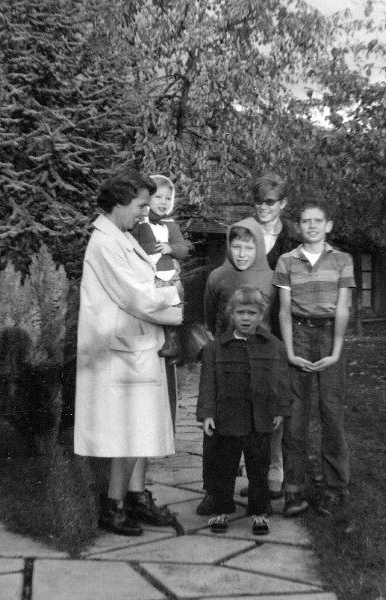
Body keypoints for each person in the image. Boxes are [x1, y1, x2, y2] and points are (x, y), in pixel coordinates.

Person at [74, 170, 183, 536]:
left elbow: (145, 283)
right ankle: (113, 506)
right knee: (129, 431)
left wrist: (161, 288)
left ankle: (132, 500)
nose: (144, 212)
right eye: (139, 205)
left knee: (140, 429)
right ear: (119, 202)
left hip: (133, 347)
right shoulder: (105, 243)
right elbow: (139, 296)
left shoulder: (118, 236)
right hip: (121, 351)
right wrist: (176, 295)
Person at [273, 198, 356, 517]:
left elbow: (344, 308)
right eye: (305, 221)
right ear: (298, 226)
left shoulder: (342, 260)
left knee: (331, 413)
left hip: (328, 336)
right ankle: (293, 490)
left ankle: (334, 488)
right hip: (299, 334)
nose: (311, 226)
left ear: (328, 225)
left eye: (317, 220)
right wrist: (291, 352)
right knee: (295, 415)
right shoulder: (287, 261)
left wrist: (335, 351)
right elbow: (283, 310)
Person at [196, 218, 276, 516]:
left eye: (249, 246)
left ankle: (260, 491)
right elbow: (208, 315)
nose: (242, 253)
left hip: (257, 363)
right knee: (215, 429)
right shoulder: (217, 276)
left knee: (256, 430)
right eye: (236, 246)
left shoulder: (270, 277)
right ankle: (212, 491)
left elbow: (274, 319)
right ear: (228, 246)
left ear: (258, 246)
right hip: (223, 361)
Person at [197, 286, 291, 536]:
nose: (246, 318)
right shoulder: (215, 348)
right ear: (231, 314)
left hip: (259, 419)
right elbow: (207, 383)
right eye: (240, 312)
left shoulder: (274, 347)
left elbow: (282, 381)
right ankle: (221, 509)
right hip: (226, 420)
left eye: (252, 313)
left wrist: (280, 410)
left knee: (258, 468)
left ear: (261, 315)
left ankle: (259, 512)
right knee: (224, 467)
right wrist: (207, 414)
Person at [245, 173, 300, 501]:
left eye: (269, 202)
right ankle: (252, 468)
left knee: (274, 398)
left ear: (282, 204)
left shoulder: (292, 239)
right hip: (247, 323)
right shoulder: (244, 232)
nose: (263, 208)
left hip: (279, 326)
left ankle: (275, 467)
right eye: (258, 202)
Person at [132, 175, 191, 361]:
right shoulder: (138, 223)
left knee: (175, 303)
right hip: (149, 277)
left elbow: (183, 249)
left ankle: (174, 342)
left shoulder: (170, 226)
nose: (163, 202)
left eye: (167, 198)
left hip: (169, 275)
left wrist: (171, 248)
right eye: (158, 197)